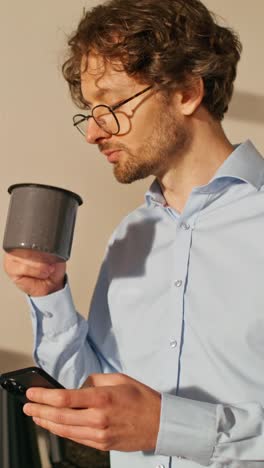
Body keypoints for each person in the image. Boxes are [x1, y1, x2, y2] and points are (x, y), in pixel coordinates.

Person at [3, 0, 264, 466]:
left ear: (186, 91)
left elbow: (153, 423)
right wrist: (48, 295)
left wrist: (171, 427)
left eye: (112, 104)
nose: (93, 133)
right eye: (90, 111)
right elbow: (100, 392)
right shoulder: (131, 235)